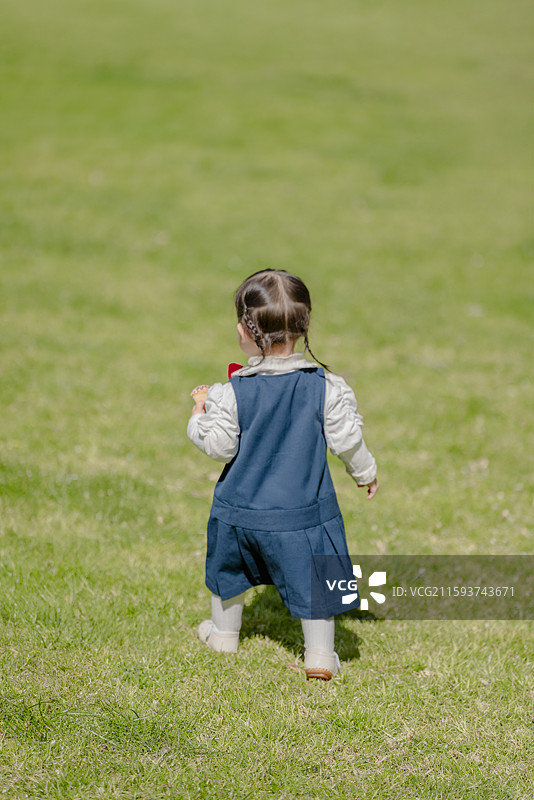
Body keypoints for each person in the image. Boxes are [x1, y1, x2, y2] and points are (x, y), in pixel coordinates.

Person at [187, 269, 378, 680]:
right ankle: (320, 656)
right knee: (317, 582)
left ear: (244, 330)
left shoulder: (231, 392)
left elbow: (220, 447)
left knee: (229, 573)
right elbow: (347, 439)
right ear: (303, 326)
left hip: (241, 514)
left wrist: (198, 414)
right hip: (303, 517)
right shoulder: (325, 386)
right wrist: (365, 471)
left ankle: (223, 634)